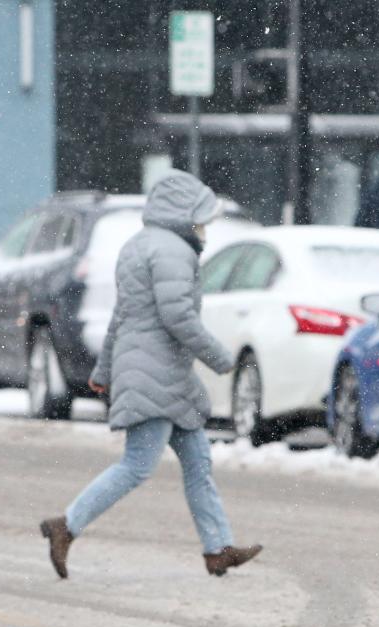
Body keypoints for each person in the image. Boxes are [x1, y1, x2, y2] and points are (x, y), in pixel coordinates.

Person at [40, 171, 262, 579]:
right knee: (137, 466)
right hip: (155, 374)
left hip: (164, 376)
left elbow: (122, 316)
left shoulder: (137, 246)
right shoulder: (173, 252)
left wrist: (104, 368)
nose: (205, 230)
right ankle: (66, 526)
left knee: (198, 463)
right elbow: (176, 316)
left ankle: (219, 548)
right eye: (200, 220)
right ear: (182, 216)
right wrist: (219, 357)